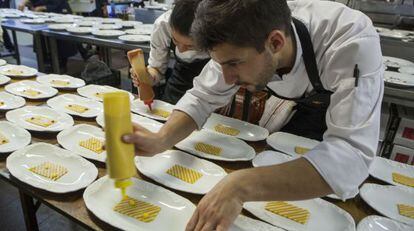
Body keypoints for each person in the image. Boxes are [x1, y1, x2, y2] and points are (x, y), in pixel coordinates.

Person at [125, 0, 384, 230]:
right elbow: (202, 97)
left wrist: (240, 186)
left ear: (275, 43)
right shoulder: (241, 35)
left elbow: (350, 154)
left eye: (233, 64)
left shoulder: (349, 41)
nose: (227, 79)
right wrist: (161, 140)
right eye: (221, 64)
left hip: (324, 109)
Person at [131, 0, 210, 104]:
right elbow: (157, 70)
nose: (181, 50)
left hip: (216, 86)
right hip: (180, 81)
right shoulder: (163, 25)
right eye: (175, 41)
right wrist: (147, 77)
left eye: (190, 46)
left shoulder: (219, 28)